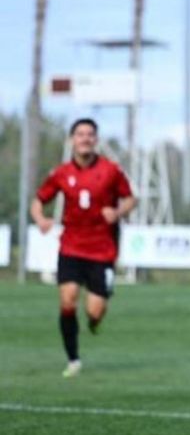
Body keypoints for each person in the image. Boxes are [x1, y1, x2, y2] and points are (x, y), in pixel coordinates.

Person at [30, 118, 136, 377]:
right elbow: (38, 200)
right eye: (80, 134)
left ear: (95, 140)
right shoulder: (61, 173)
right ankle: (73, 360)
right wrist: (40, 219)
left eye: (90, 134)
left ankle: (95, 322)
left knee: (94, 311)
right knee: (67, 300)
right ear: (72, 140)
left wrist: (118, 212)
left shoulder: (111, 170)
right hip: (71, 247)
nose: (85, 139)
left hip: (103, 250)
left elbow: (131, 199)